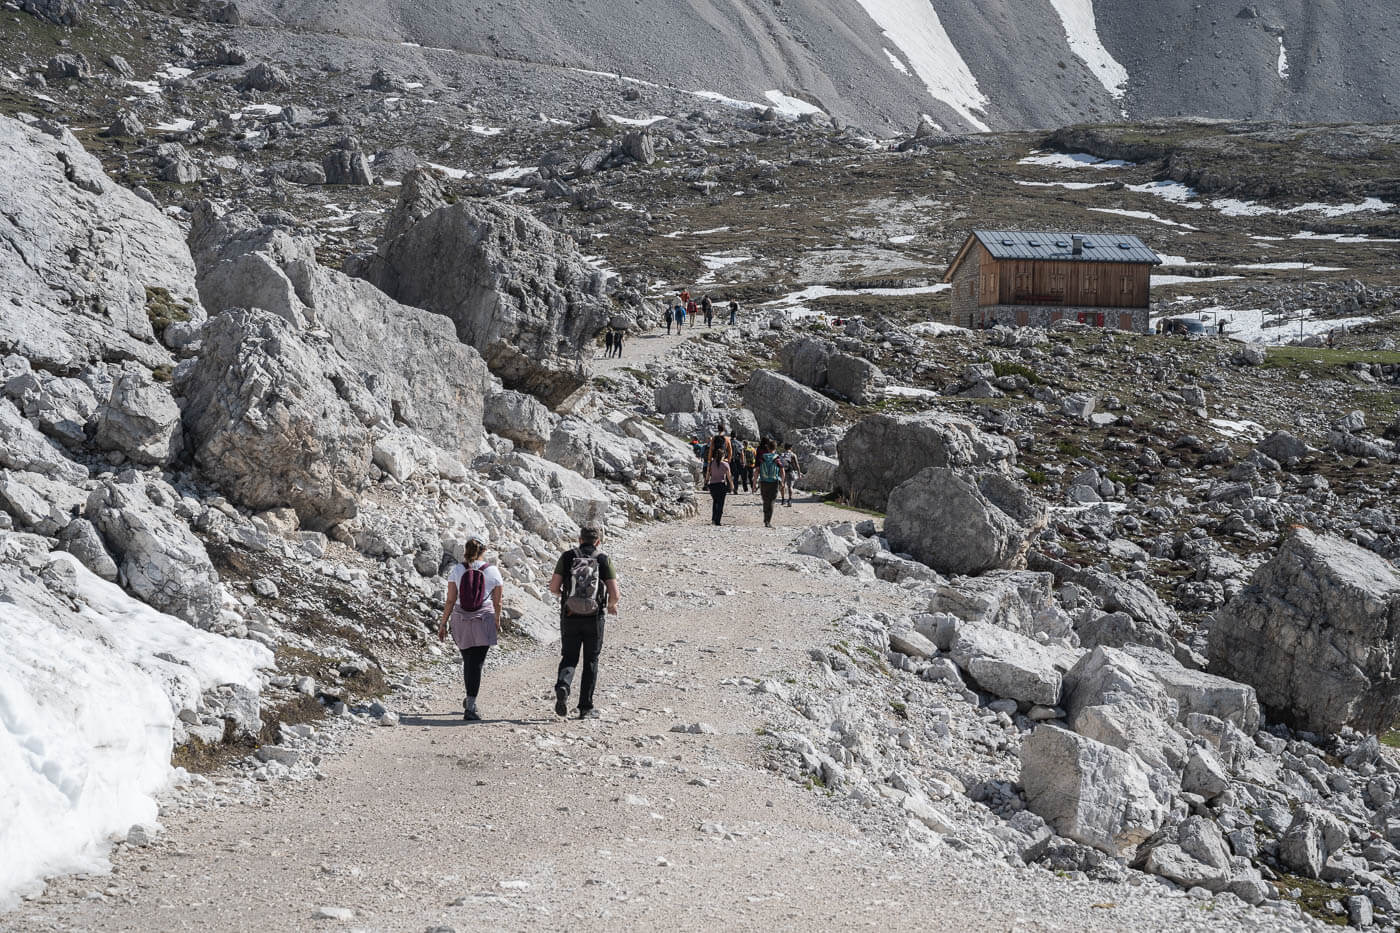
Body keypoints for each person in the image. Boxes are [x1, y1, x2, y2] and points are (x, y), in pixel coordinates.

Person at [549, 527, 619, 719]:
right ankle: (585, 707)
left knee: (569, 656)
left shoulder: (567, 557)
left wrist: (565, 597)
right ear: (598, 541)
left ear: (579, 539)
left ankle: (563, 685)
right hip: (594, 618)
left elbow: (553, 587)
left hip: (570, 615)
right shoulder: (603, 559)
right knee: (591, 661)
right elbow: (615, 594)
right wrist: (611, 606)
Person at [437, 538, 503, 721]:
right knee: (478, 662)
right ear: (484, 550)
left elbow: (450, 600)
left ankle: (470, 699)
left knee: (468, 660)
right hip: (485, 618)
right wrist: (497, 620)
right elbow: (497, 602)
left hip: (460, 618)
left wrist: (443, 624)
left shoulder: (457, 570)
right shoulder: (493, 570)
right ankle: (471, 705)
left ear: (465, 551)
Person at [755, 438, 784, 528]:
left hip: (763, 481)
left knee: (765, 500)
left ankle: (765, 518)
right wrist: (782, 482)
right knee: (771, 501)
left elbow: (757, 470)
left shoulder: (763, 457)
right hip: (774, 482)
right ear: (775, 448)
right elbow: (782, 470)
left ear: (767, 448)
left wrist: (754, 483)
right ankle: (768, 521)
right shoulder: (776, 458)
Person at [705, 438, 731, 525]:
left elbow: (708, 474)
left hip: (712, 485)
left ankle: (713, 519)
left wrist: (706, 482)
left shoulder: (711, 463)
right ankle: (718, 521)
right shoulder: (725, 464)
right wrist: (732, 485)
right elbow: (729, 477)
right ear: (723, 455)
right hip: (721, 485)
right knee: (720, 503)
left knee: (715, 502)